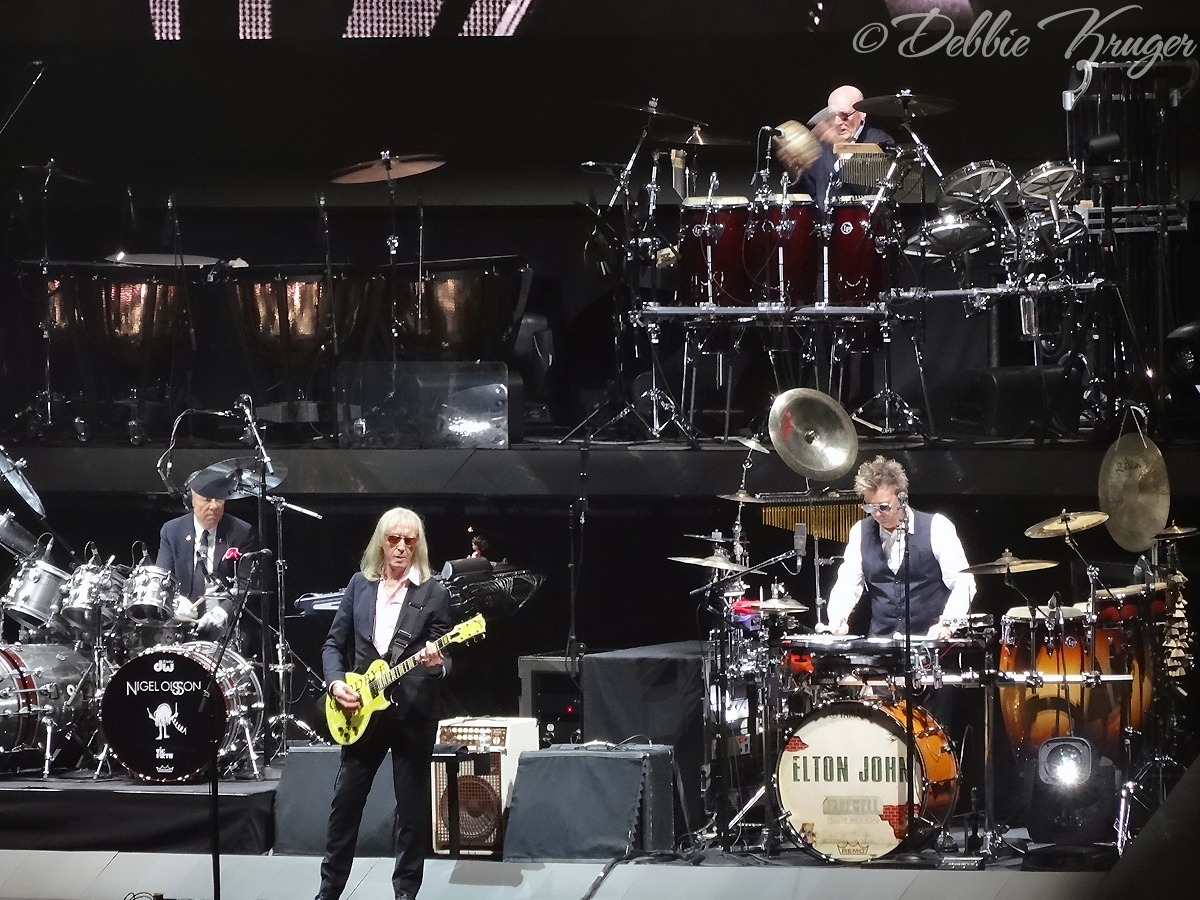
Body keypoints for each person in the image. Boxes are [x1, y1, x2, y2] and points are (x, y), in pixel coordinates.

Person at [316, 507, 452, 900]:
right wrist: (335, 684)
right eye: (394, 539)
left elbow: (446, 656)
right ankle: (328, 892)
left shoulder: (433, 592)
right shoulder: (360, 585)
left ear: (418, 545)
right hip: (361, 711)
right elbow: (332, 644)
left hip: (413, 714)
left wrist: (437, 664)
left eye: (410, 540)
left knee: (411, 811)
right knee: (345, 804)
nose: (401, 547)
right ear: (382, 542)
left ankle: (405, 893)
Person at [825, 456, 974, 640]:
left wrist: (947, 624)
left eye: (884, 506)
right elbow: (848, 583)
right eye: (870, 507)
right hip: (881, 643)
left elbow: (964, 582)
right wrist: (837, 617)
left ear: (902, 499)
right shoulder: (860, 532)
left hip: (929, 643)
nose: (877, 514)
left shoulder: (937, 526)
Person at [156, 468, 256, 636]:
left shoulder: (242, 532)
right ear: (191, 501)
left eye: (219, 499)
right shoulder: (171, 531)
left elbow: (247, 584)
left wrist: (223, 612)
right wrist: (175, 602)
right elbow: (162, 580)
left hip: (226, 628)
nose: (214, 506)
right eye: (207, 499)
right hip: (180, 626)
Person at [800, 84, 895, 206]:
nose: (837, 122)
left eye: (844, 116)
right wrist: (796, 166)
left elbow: (867, 190)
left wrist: (841, 146)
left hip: (862, 216)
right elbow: (807, 191)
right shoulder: (822, 145)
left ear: (862, 113)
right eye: (832, 116)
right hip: (825, 217)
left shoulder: (880, 143)